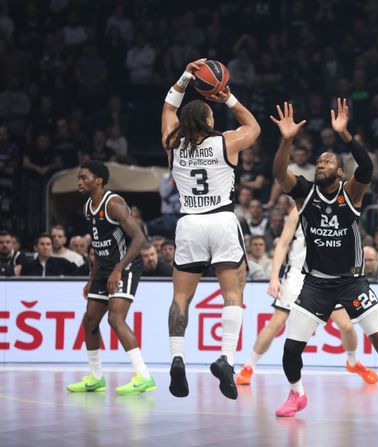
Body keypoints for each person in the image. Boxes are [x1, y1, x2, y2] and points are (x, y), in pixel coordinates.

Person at [271, 99, 378, 420]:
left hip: (352, 282)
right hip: (316, 284)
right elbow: (279, 173)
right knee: (290, 349)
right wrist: (286, 141)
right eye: (318, 161)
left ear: (340, 171)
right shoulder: (304, 193)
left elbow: (367, 169)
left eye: (328, 161)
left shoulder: (351, 193)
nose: (321, 163)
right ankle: (297, 394)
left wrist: (346, 136)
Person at [161, 59, 260, 399]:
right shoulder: (225, 142)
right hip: (221, 220)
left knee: (180, 297)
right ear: (207, 119)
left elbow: (168, 107)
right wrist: (227, 97)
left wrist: (185, 76)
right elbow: (253, 127)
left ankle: (177, 358)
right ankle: (226, 359)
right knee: (233, 294)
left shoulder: (172, 144)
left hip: (189, 222)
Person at [236, 205, 378, 386]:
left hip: (328, 276)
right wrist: (274, 277)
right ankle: (249, 366)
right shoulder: (299, 208)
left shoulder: (341, 208)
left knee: (347, 326)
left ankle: (352, 362)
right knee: (277, 322)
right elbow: (283, 244)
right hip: (297, 274)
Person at [67, 161, 155, 394]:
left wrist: (118, 269)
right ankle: (96, 377)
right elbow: (99, 247)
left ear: (98, 180)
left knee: (115, 318)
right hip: (104, 268)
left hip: (126, 265)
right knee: (90, 320)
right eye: (78, 178)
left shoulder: (114, 204)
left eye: (84, 177)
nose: (79, 182)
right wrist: (91, 278)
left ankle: (144, 376)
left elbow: (139, 238)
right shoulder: (88, 207)